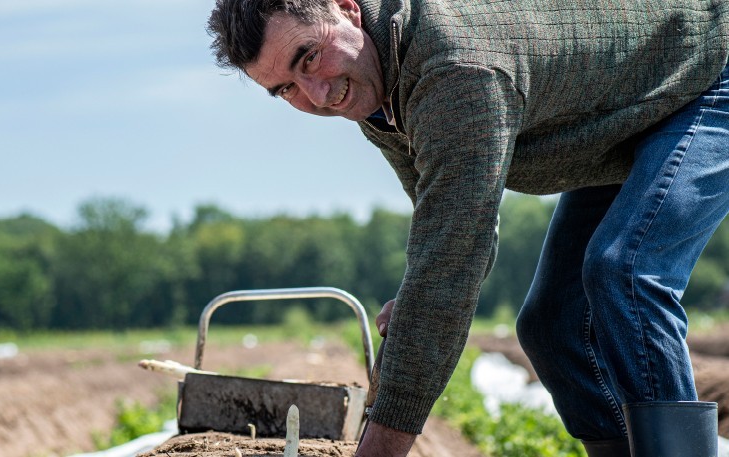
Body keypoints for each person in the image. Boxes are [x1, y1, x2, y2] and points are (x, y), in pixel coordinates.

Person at [206, 0, 729, 455]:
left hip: (708, 70)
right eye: (285, 89)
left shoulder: (454, 69)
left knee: (624, 271)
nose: (316, 95)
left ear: (347, 9)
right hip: (629, 111)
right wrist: (417, 300)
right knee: (550, 327)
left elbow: (451, 266)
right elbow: (446, 233)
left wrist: (380, 446)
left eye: (309, 57)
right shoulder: (376, 87)